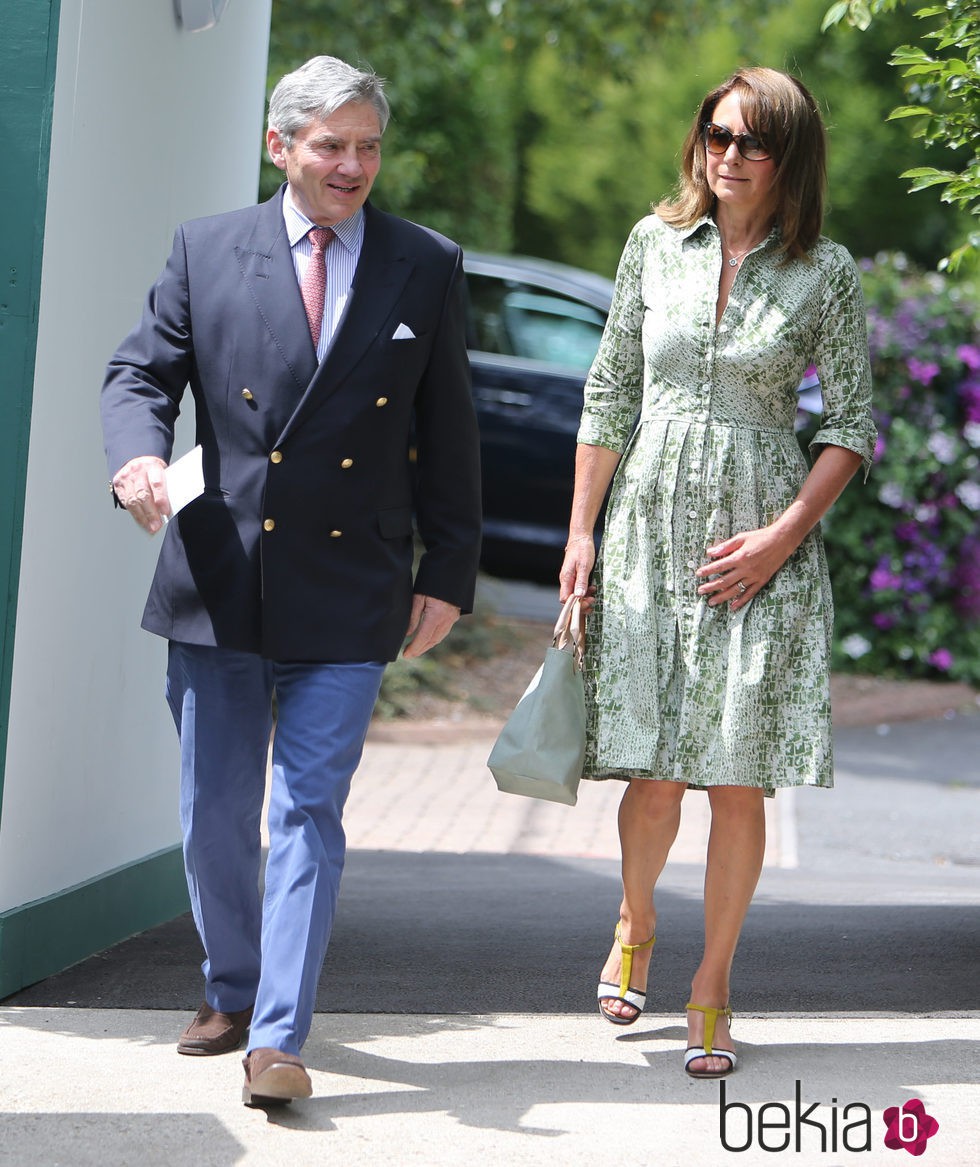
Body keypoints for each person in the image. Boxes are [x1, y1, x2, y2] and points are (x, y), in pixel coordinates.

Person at [101, 56, 482, 1106]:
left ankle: (277, 1038)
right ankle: (231, 983)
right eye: (330, 146)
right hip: (219, 575)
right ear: (282, 149)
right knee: (217, 812)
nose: (351, 165)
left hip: (352, 582)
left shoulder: (424, 262)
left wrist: (447, 570)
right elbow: (141, 372)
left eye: (366, 146)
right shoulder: (207, 248)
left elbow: (447, 431)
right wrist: (137, 457)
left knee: (307, 809)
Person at [559, 67, 875, 1078]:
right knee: (652, 772)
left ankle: (712, 986)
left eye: (747, 140)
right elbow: (609, 389)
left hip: (755, 542)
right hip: (646, 526)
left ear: (787, 158)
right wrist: (579, 533)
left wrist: (782, 535)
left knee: (735, 782)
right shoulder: (653, 244)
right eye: (713, 133)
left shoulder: (822, 271)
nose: (724, 153)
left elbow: (851, 426)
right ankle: (635, 920)